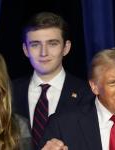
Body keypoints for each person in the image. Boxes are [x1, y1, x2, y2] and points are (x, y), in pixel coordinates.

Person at [12, 12, 93, 148]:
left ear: (66, 48)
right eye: (35, 44)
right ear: (25, 49)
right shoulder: (8, 92)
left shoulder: (87, 94)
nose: (44, 53)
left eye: (52, 44)